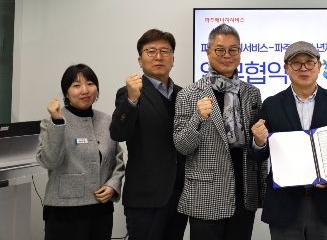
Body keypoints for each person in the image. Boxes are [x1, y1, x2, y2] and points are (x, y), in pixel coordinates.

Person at [251, 41, 327, 240]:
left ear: (319, 66)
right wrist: (259, 141)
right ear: (286, 68)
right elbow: (258, 155)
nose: (303, 68)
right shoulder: (271, 105)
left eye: (309, 62)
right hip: (284, 205)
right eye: (296, 63)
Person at [173, 23, 265, 240]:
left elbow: (258, 144)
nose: (227, 55)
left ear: (240, 52)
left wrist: (262, 188)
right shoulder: (189, 94)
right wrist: (197, 117)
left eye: (233, 50)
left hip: (244, 192)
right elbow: (182, 146)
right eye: (220, 50)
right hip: (205, 195)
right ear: (208, 52)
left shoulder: (251, 93)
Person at [109, 29, 188, 240]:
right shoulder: (128, 93)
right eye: (151, 51)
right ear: (140, 60)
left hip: (179, 196)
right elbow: (118, 133)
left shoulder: (183, 94)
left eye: (165, 51)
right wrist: (132, 100)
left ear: (173, 58)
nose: (158, 57)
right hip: (145, 198)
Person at [36, 64, 124, 240]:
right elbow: (50, 161)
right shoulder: (52, 122)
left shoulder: (107, 120)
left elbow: (117, 160)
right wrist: (57, 122)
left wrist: (113, 185)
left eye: (90, 84)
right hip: (64, 212)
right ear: (66, 93)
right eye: (76, 85)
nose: (85, 90)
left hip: (101, 211)